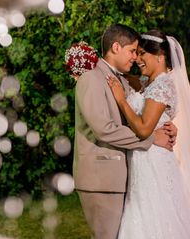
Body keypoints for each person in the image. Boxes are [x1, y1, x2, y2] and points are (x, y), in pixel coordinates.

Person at [65, 24, 177, 239]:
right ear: (116, 47)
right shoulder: (91, 78)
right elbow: (104, 129)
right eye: (132, 51)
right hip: (101, 179)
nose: (135, 58)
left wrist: (166, 124)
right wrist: (152, 138)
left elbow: (144, 108)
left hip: (119, 177)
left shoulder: (119, 79)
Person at [107, 30, 190, 238]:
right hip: (144, 160)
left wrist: (122, 100)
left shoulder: (162, 84)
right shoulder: (149, 84)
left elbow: (144, 129)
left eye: (143, 54)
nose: (138, 59)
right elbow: (134, 83)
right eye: (136, 53)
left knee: (155, 217)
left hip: (154, 162)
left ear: (160, 57)